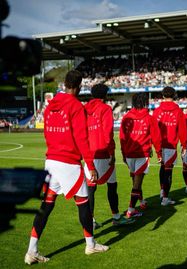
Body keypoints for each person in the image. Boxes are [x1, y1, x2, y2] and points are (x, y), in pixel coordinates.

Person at [24, 70, 109, 265]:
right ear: (78, 86)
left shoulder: (50, 106)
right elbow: (82, 139)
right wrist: (90, 165)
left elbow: (47, 133)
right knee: (84, 203)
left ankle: (32, 250)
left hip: (51, 161)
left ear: (64, 85)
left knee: (46, 206)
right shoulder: (76, 106)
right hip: (68, 163)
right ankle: (90, 244)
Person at [84, 83, 133, 227]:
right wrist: (112, 152)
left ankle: (90, 220)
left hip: (89, 154)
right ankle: (116, 217)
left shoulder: (84, 109)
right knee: (112, 185)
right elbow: (108, 133)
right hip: (103, 153)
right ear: (105, 95)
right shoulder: (105, 108)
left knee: (90, 188)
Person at [120, 93, 162, 217]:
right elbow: (156, 137)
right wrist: (159, 153)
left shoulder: (126, 117)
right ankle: (131, 210)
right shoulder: (149, 118)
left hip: (129, 154)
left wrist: (123, 154)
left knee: (136, 181)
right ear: (145, 102)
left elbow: (122, 138)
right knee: (137, 182)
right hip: (142, 154)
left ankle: (141, 202)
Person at [152, 86, 187, 206]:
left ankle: (162, 191)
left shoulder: (157, 111)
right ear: (174, 95)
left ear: (162, 96)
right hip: (171, 145)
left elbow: (152, 129)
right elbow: (182, 130)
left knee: (162, 168)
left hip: (159, 144)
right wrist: (184, 145)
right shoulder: (178, 111)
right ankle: (165, 198)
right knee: (168, 171)